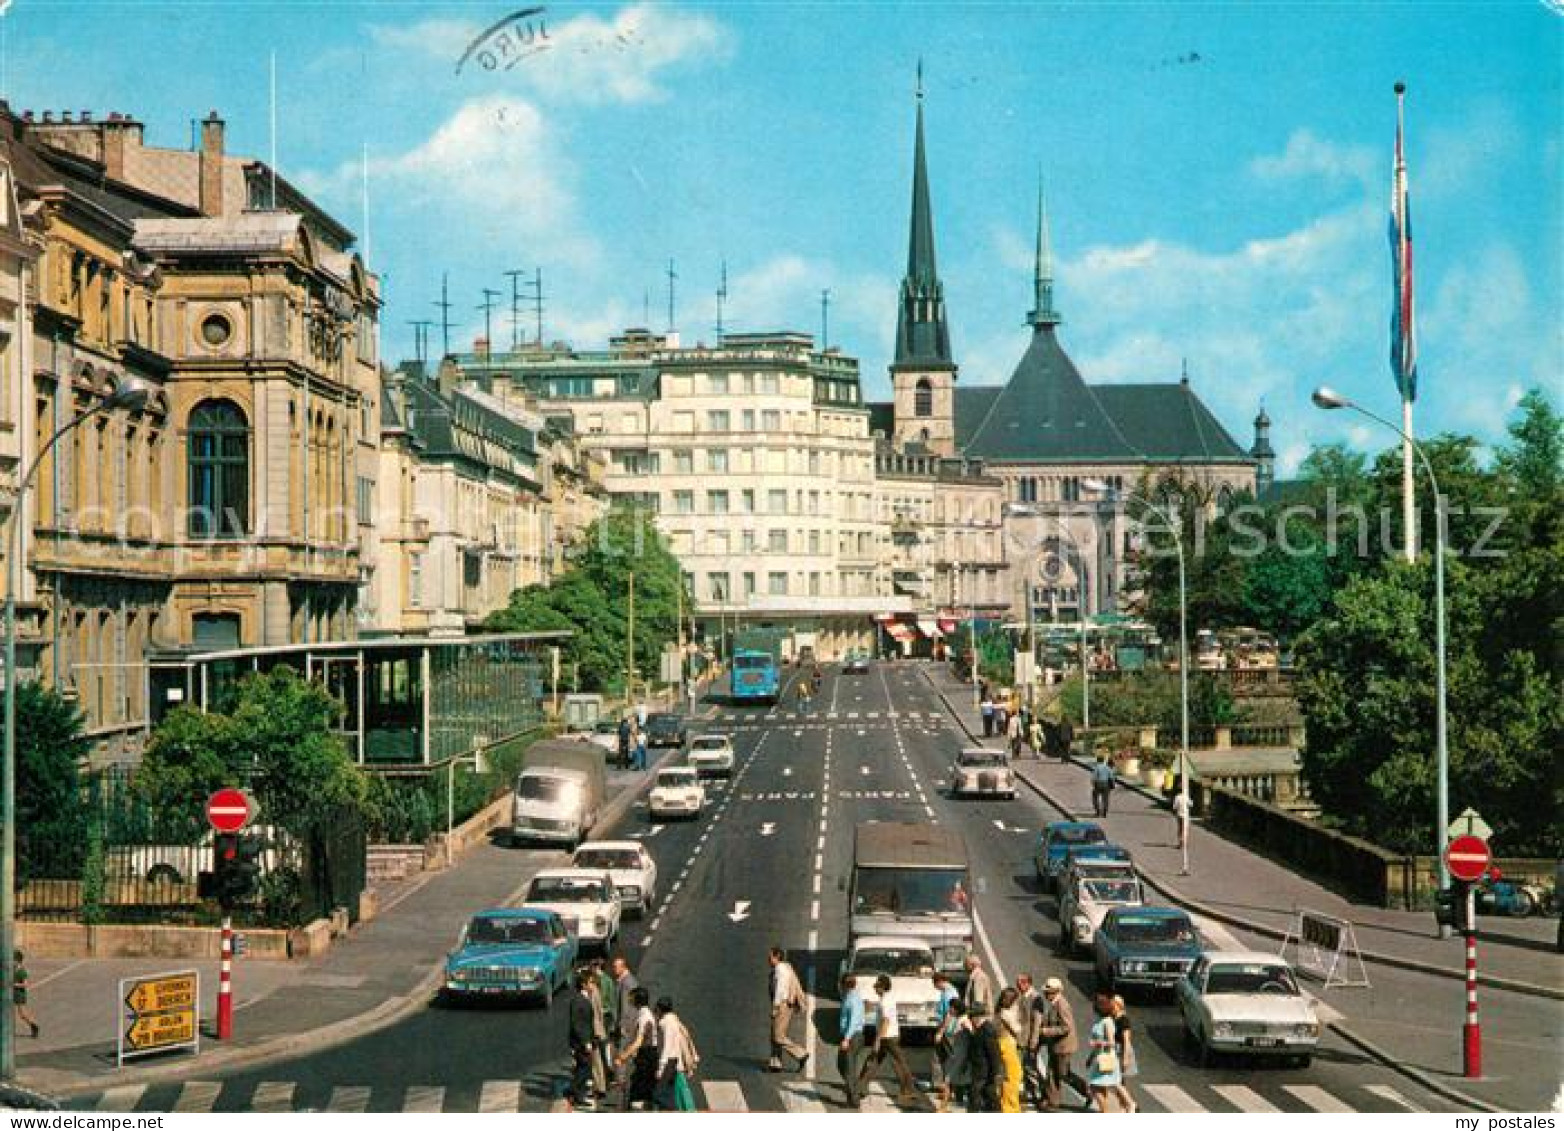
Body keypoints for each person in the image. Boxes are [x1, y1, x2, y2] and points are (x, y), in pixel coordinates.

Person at [857, 974, 920, 1104]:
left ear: (882, 987)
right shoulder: (889, 998)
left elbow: (885, 1021)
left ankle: (907, 1090)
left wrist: (878, 1040)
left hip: (887, 1037)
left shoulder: (885, 1002)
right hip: (892, 1035)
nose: (875, 989)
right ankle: (861, 1086)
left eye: (877, 986)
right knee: (874, 1060)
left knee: (898, 1063)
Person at [1037, 977, 1090, 1112]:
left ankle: (1087, 1091)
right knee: (1052, 1073)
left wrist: (1046, 1031)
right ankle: (1052, 1102)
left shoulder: (1062, 1005)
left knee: (1063, 1074)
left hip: (1063, 1046)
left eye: (1048, 991)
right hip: (1056, 1046)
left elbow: (1066, 1027)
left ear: (1055, 992)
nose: (1045, 994)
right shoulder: (1054, 1003)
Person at [615, 986, 660, 1110]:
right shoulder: (643, 1014)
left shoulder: (645, 1017)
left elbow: (638, 1042)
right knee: (641, 1089)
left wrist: (623, 1056)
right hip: (645, 1056)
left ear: (637, 1000)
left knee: (639, 1091)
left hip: (647, 1057)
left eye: (632, 997)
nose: (630, 1000)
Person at [767, 947, 810, 1072]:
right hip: (784, 1004)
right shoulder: (784, 968)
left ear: (776, 957)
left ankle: (801, 1054)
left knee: (778, 1036)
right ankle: (775, 1063)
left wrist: (775, 1007)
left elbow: (781, 991)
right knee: (774, 1034)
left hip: (783, 1005)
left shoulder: (781, 970)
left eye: (770, 957)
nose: (768, 959)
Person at [654, 997, 700, 1111]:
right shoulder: (674, 1020)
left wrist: (661, 1067)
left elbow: (667, 1046)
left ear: (659, 1009)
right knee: (679, 1092)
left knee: (672, 1093)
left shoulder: (666, 1023)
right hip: (675, 1062)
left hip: (671, 1063)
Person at [610, 958, 642, 1107]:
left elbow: (626, 1007)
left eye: (616, 967)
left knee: (622, 1055)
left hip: (625, 1027)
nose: (614, 969)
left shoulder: (627, 983)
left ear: (624, 967)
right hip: (626, 1026)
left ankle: (622, 1087)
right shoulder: (626, 981)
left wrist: (622, 1026)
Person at [1011, 974, 1045, 1106]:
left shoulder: (1036, 998)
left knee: (1030, 1068)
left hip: (1029, 1039)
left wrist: (1033, 1041)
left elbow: (1037, 1023)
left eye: (1020, 983)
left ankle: (1042, 1092)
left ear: (1027, 983)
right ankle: (1029, 1092)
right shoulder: (1021, 996)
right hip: (1020, 1038)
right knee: (1023, 1067)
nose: (1017, 985)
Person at [567, 970, 598, 1109]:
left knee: (582, 1067)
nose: (593, 984)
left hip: (583, 1041)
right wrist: (586, 1042)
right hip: (581, 1043)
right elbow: (578, 1024)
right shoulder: (579, 1001)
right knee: (585, 1068)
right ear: (583, 984)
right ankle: (576, 1093)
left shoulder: (582, 999)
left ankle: (575, 1091)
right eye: (590, 982)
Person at [1086, 993, 1121, 1113]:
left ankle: (1106, 1112)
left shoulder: (1107, 1022)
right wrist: (1090, 1057)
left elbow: (1112, 1042)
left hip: (1105, 1059)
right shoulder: (1100, 1020)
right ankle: (1104, 1111)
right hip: (1098, 1058)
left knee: (1094, 1087)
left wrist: (1097, 1043)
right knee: (1102, 1088)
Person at [965, 1000, 1002, 1113]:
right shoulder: (979, 1029)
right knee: (989, 1098)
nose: (970, 1019)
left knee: (975, 1097)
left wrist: (996, 1073)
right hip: (980, 1070)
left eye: (971, 1016)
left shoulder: (987, 1030)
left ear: (977, 1016)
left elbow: (994, 1053)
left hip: (984, 1071)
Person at [837, 974, 867, 1109]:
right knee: (841, 1064)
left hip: (853, 1036)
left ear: (845, 985)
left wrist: (846, 1039)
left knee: (849, 1068)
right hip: (850, 1036)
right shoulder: (849, 997)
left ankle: (854, 1100)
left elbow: (854, 1021)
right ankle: (854, 1088)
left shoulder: (853, 999)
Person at [937, 999, 971, 1112]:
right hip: (955, 1053)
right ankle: (943, 1107)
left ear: (957, 1009)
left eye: (951, 1007)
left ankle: (943, 1107)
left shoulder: (964, 1021)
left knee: (950, 1080)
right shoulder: (955, 1018)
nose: (949, 1009)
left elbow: (971, 1034)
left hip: (961, 1055)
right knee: (950, 1081)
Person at [1110, 994, 1139, 1113]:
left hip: (1122, 1050)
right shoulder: (1113, 1018)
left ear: (1118, 1006)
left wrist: (1125, 1058)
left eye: (1112, 1005)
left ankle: (1131, 1104)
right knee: (1119, 1081)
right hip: (1115, 1051)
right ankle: (1123, 1106)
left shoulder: (1123, 1020)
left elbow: (1127, 1040)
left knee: (1115, 1080)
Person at [12, 950, 37, 1040]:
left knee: (22, 1015)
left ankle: (33, 1026)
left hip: (19, 994)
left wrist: (14, 984)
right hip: (10, 993)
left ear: (17, 960)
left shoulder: (22, 971)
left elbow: (26, 984)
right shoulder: (11, 969)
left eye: (12, 960)